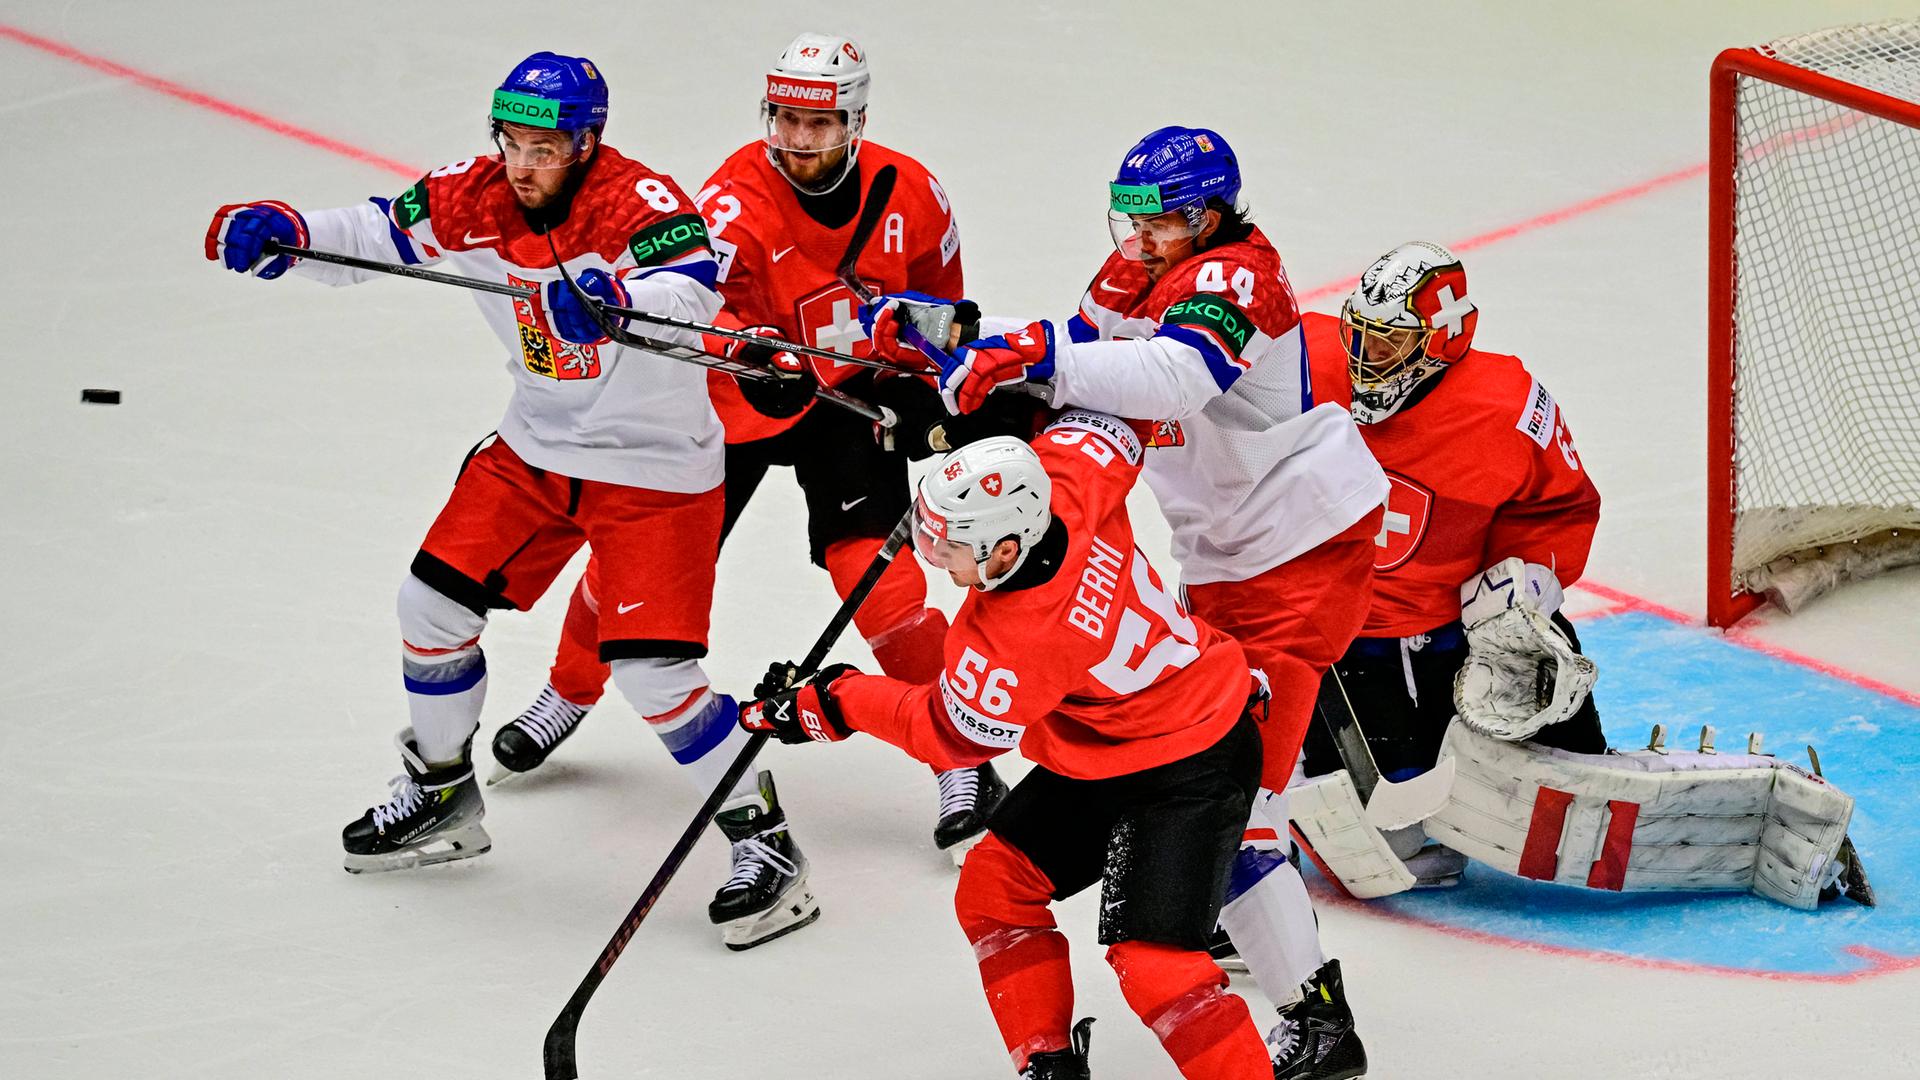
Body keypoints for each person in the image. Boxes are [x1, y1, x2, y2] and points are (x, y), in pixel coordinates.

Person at [204, 52, 819, 950]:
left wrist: (618, 302)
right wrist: (289, 231)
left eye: (545, 147)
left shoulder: (639, 202)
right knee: (430, 605)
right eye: (512, 143)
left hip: (652, 471)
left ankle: (767, 847)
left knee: (655, 677)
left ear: (586, 143)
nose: (522, 164)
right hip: (535, 449)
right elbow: (376, 234)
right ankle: (443, 788)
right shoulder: (474, 192)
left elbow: (689, 278)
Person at [864, 127, 1380, 1078]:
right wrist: (960, 357)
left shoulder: (1241, 276)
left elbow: (1173, 377)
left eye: (1161, 224)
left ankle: (1321, 1020)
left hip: (1302, 547)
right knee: (1219, 775)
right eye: (1129, 221)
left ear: (1211, 217)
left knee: (1246, 795)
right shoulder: (1132, 268)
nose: (1138, 241)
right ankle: (1235, 922)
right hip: (1226, 551)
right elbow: (1079, 389)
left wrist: (1029, 355)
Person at [493, 32, 1014, 859]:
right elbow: (693, 302)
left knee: (875, 576)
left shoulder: (915, 193)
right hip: (732, 402)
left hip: (843, 399)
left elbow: (937, 311)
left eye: (818, 122)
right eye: (783, 119)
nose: (798, 140)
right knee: (632, 564)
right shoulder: (733, 199)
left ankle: (963, 758)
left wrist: (924, 382)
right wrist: (743, 346)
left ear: (857, 119)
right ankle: (567, 690)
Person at [741, 413, 1280, 1080]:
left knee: (1156, 967)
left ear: (1003, 553)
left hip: (1192, 764)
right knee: (994, 889)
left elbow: (946, 734)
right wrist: (987, 422)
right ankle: (1048, 1066)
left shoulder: (1015, 643)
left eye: (953, 546)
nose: (940, 560)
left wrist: (833, 701)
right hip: (1124, 740)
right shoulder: (1069, 479)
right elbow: (1110, 418)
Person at [1294, 241, 1602, 887]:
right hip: (1341, 633)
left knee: (1568, 773)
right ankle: (1281, 780)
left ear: (1442, 339)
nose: (1363, 358)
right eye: (1360, 334)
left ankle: (1585, 763)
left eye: (1388, 343)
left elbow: (1564, 507)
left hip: (1457, 627)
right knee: (1401, 845)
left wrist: (1528, 577)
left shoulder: (1508, 407)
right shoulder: (1297, 359)